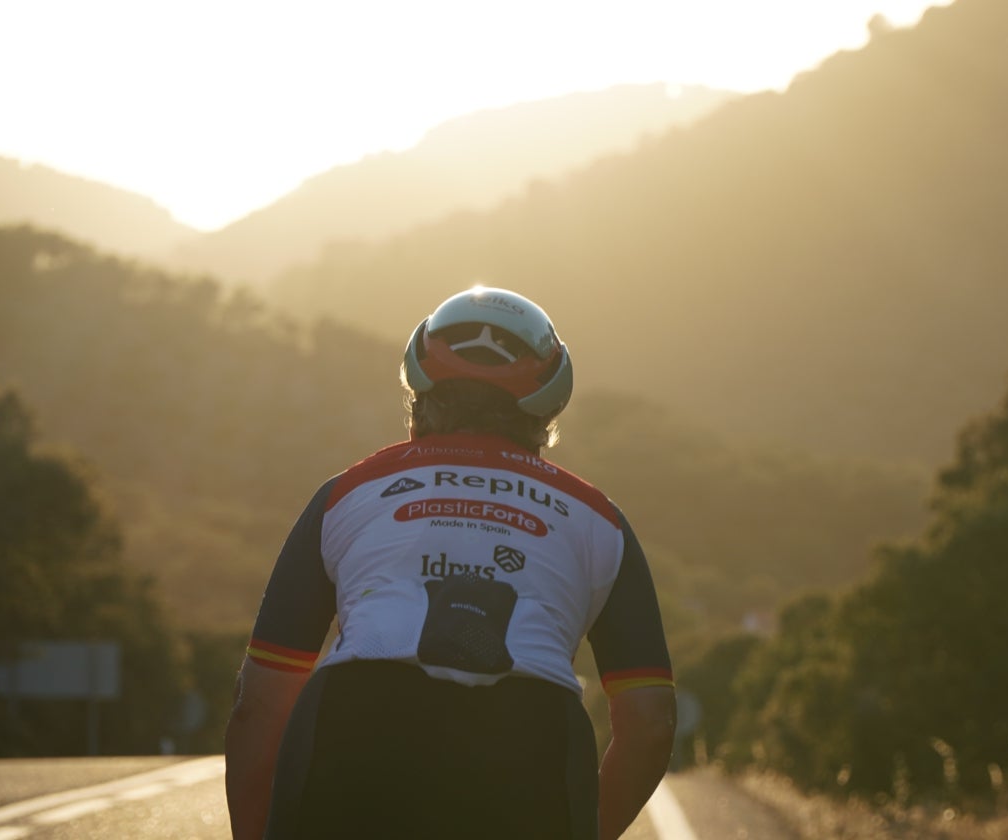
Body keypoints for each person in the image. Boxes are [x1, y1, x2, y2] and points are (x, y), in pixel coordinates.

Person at [225, 286, 676, 839]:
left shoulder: (346, 493)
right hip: (530, 742)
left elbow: (260, 703)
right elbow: (651, 723)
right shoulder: (600, 520)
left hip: (356, 728)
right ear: (545, 413)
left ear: (419, 399)